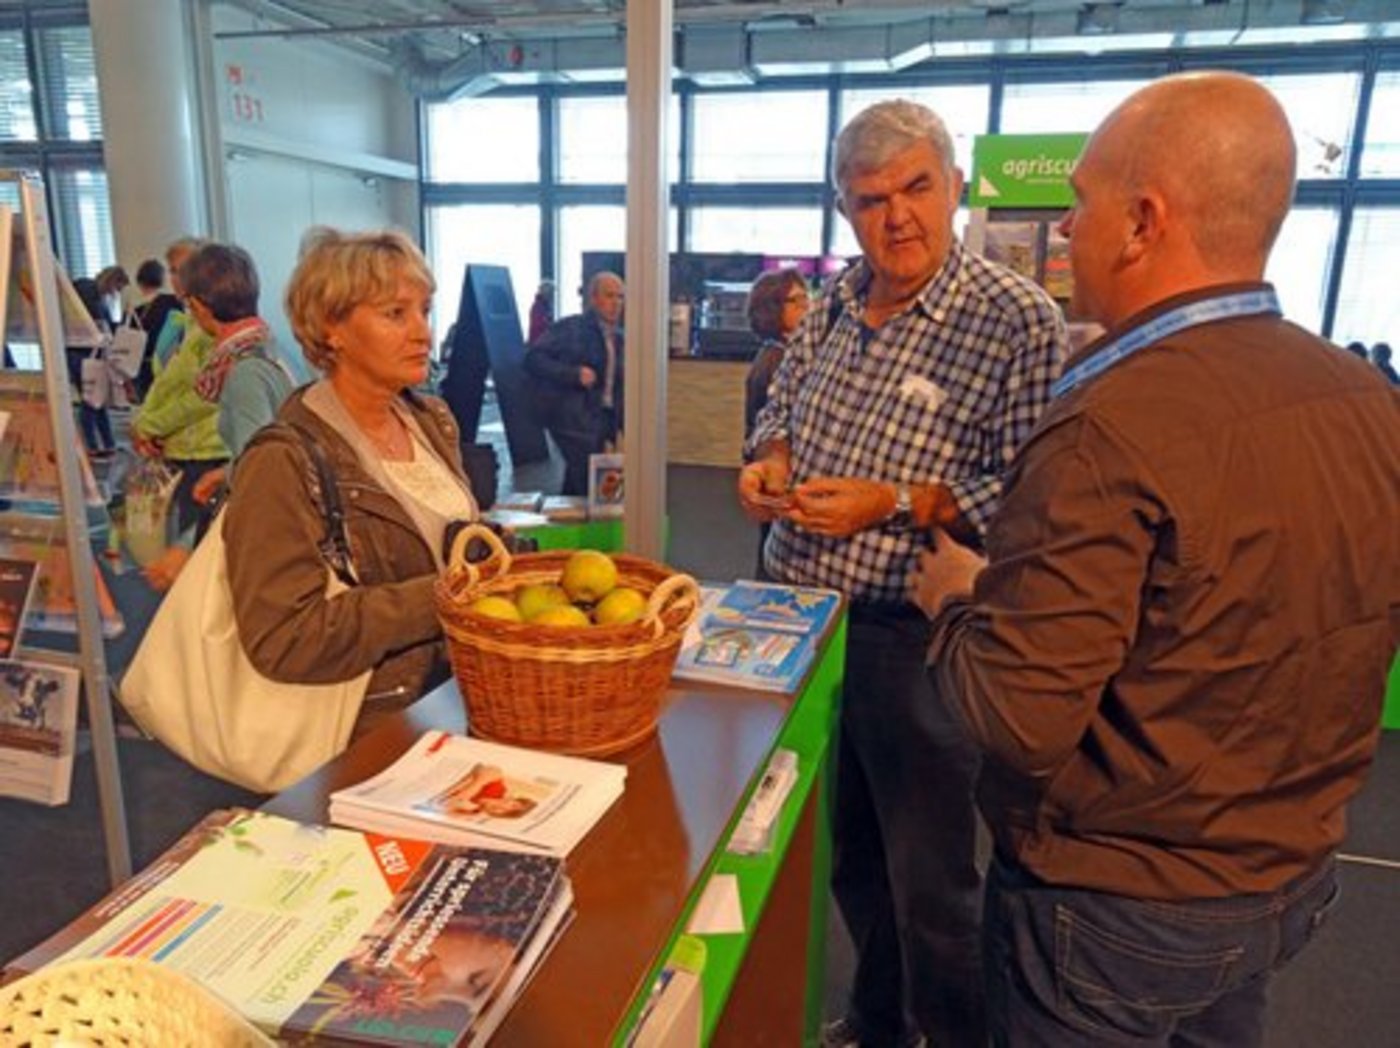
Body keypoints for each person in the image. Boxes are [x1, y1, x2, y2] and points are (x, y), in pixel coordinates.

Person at [912, 72, 1400, 1047]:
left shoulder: (1106, 427)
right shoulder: (1362, 399)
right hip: (1281, 880)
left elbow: (1016, 718)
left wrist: (957, 601)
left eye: (1079, 200)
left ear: (1141, 222)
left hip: (1111, 909)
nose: (1061, 228)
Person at [739, 100, 1067, 1048]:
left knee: (932, 885)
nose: (897, 219)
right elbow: (784, 408)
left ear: (956, 185)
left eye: (916, 189)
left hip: (911, 637)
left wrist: (892, 501)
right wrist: (771, 461)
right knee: (847, 858)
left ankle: (952, 1035)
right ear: (846, 209)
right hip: (800, 625)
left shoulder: (1015, 320)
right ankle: (877, 1022)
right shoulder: (838, 300)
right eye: (870, 199)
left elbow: (1031, 497)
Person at [222, 227, 478, 739]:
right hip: (369, 730)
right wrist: (440, 598)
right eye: (394, 313)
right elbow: (283, 638)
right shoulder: (283, 461)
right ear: (330, 328)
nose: (423, 332)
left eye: (424, 310)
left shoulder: (431, 421)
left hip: (452, 703)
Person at [524, 271, 625, 496]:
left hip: (605, 418)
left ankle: (570, 521)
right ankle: (590, 525)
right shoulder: (571, 329)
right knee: (589, 480)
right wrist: (573, 374)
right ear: (594, 298)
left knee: (581, 479)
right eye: (609, 296)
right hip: (574, 418)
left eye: (620, 297)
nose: (616, 303)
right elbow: (533, 359)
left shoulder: (620, 338)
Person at [743, 268, 809, 438]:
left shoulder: (786, 351)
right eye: (795, 300)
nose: (806, 305)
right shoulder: (777, 360)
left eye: (805, 297)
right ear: (772, 308)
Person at [67, 276, 117, 459]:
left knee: (92, 399)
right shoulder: (93, 297)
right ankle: (99, 444)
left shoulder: (80, 289)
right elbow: (104, 325)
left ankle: (100, 444)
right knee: (93, 400)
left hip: (77, 352)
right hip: (87, 352)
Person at [130, 258, 180, 398]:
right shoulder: (174, 303)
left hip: (144, 366)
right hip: (172, 362)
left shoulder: (134, 312)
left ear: (139, 282)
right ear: (162, 280)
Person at [527, 279, 555, 343]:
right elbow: (539, 325)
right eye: (550, 293)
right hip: (539, 342)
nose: (551, 296)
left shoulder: (546, 307)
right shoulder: (538, 307)